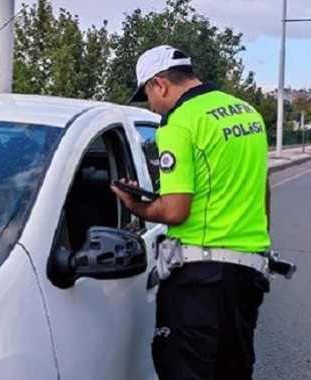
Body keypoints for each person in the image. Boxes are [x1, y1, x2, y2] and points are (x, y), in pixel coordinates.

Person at [110, 45, 271, 380]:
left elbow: (175, 210)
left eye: (148, 97)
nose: (152, 106)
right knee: (234, 371)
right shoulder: (247, 112)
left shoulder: (179, 124)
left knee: (186, 369)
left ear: (160, 84)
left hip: (201, 278)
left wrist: (135, 205)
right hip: (249, 271)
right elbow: (263, 191)